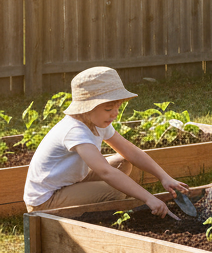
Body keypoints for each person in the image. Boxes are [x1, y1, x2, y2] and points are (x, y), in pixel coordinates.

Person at [24, 67, 190, 216]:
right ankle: (99, 220)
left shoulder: (97, 122)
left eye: (117, 107)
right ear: (87, 107)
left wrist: (164, 177)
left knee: (123, 162)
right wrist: (149, 198)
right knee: (114, 192)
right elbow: (105, 172)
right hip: (45, 199)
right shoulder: (75, 130)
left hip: (70, 181)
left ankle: (93, 201)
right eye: (109, 109)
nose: (115, 114)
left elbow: (129, 150)